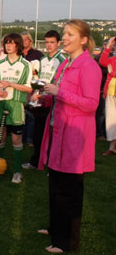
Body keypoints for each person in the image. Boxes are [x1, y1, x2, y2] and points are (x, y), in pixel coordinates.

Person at [38, 19, 101, 253]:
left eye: (69, 35)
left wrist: (59, 92)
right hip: (58, 132)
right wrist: (43, 98)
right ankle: (55, 229)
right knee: (55, 186)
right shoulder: (65, 64)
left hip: (74, 138)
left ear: (83, 40)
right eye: (64, 34)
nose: (64, 38)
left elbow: (92, 104)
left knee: (69, 192)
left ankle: (67, 242)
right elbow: (58, 95)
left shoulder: (89, 66)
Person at [0, 33, 32, 184]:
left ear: (18, 45)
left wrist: (10, 84)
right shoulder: (0, 64)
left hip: (16, 104)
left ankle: (17, 171)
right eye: (6, 43)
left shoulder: (25, 65)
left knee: (16, 139)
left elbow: (28, 88)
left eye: (11, 43)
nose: (8, 46)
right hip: (0, 103)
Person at [23, 30, 65, 170]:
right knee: (38, 133)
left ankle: (50, 162)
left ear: (58, 43)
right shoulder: (42, 60)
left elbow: (60, 83)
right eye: (47, 42)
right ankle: (36, 161)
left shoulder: (62, 60)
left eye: (52, 42)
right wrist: (35, 93)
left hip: (53, 102)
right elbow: (38, 80)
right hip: (41, 100)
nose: (49, 45)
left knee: (52, 134)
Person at [21, 31, 44, 147]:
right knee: (23, 113)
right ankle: (22, 136)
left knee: (32, 113)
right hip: (21, 86)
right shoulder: (19, 54)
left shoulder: (37, 54)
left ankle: (31, 139)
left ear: (30, 41)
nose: (24, 41)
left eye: (26, 39)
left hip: (34, 87)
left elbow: (42, 71)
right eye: (22, 39)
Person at [98, 36, 116, 155]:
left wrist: (113, 72)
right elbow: (102, 61)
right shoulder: (113, 59)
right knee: (111, 120)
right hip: (110, 93)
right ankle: (112, 147)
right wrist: (108, 46)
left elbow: (112, 71)